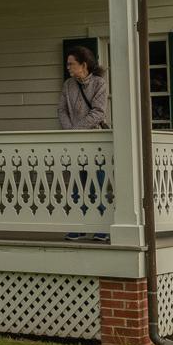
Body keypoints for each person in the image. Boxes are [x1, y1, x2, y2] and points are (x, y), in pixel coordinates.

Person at [60, 46, 110, 242]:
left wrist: (76, 130)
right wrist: (70, 132)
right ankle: (78, 226)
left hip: (95, 142)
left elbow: (98, 112)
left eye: (71, 63)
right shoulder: (68, 85)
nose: (68, 67)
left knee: (97, 183)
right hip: (74, 142)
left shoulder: (99, 83)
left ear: (84, 64)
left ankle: (101, 227)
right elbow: (61, 110)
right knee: (76, 184)